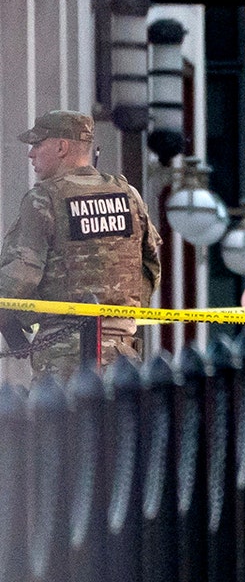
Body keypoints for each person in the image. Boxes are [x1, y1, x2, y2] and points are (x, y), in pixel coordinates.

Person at [0, 109, 162, 381]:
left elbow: (18, 279)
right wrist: (119, 313)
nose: (31, 154)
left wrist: (8, 319)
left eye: (38, 144)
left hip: (63, 362)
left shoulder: (44, 199)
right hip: (124, 356)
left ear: (61, 147)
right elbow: (150, 267)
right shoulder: (129, 195)